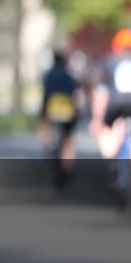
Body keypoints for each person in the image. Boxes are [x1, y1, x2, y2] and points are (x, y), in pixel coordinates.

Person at [89, 27, 131, 188]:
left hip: (116, 103)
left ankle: (111, 155)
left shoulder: (109, 62)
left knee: (106, 128)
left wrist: (97, 120)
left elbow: (101, 95)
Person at [39, 50, 80, 187]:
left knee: (45, 124)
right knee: (68, 138)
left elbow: (45, 94)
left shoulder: (48, 75)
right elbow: (75, 93)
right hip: (68, 110)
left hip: (52, 108)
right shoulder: (69, 75)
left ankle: (48, 145)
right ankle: (68, 165)